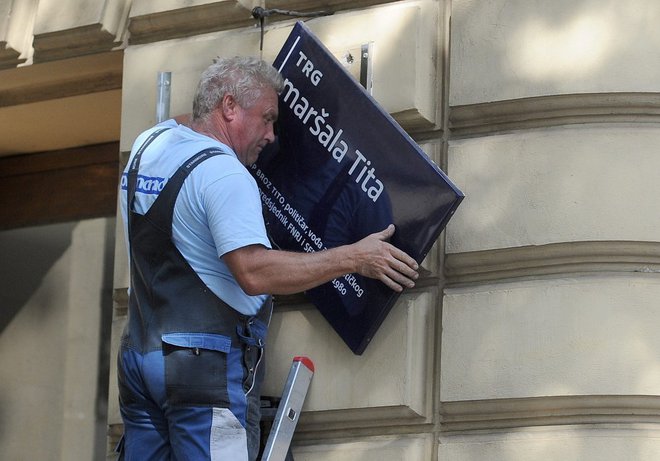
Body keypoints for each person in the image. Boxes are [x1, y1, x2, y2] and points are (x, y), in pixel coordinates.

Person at [117, 55, 419, 461]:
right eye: (267, 118)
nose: (272, 135)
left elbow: (185, 118)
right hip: (200, 371)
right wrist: (352, 258)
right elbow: (254, 271)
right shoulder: (224, 174)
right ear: (228, 107)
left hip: (139, 358)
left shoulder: (147, 146)